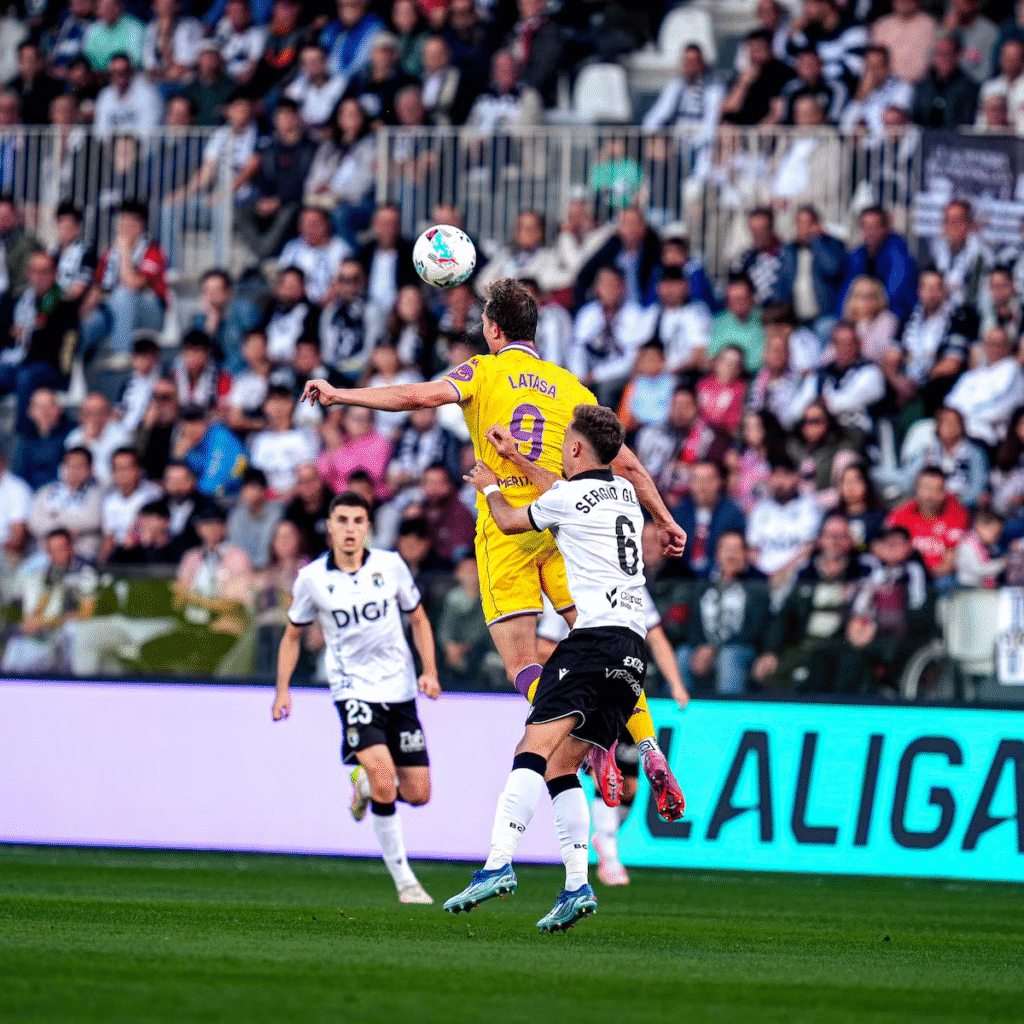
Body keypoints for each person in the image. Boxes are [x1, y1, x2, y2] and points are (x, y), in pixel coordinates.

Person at [300, 278, 687, 822]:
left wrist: (342, 394)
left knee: (522, 663)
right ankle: (645, 746)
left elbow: (416, 396)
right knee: (609, 643)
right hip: (561, 531)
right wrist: (665, 519)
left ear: (493, 329)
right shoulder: (570, 385)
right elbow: (629, 464)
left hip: (506, 529)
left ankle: (592, 740)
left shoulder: (483, 371)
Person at [443, 405, 655, 931]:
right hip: (633, 649)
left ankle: (496, 864)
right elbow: (562, 490)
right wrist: (518, 454)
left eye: (565, 444)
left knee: (531, 749)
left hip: (591, 641)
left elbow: (514, 520)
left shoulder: (568, 496)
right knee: (563, 765)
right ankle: (578, 886)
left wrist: (493, 484)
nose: (559, 452)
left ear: (578, 449)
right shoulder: (624, 494)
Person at [273, 490, 440, 905]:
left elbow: (418, 618)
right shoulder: (312, 578)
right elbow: (292, 635)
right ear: (330, 526)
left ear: (368, 527)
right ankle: (406, 883)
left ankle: (364, 784)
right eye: (342, 520)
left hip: (399, 690)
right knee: (387, 781)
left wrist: (430, 671)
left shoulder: (391, 565)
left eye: (358, 521)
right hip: (353, 690)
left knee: (418, 794)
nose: (350, 529)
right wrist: (282, 690)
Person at [679, 530, 770, 695]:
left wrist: (715, 648)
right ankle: (679, 710)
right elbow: (692, 624)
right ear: (717, 554)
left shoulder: (757, 587)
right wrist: (701, 646)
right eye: (726, 549)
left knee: (728, 656)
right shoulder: (703, 586)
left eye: (736, 549)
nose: (731, 555)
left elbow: (755, 631)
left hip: (740, 648)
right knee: (683, 655)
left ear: (745, 554)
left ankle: (728, 713)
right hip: (705, 647)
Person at [886, 466, 969, 584]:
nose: (930, 495)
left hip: (939, 578)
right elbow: (888, 551)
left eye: (937, 489)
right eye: (925, 488)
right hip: (906, 575)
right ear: (916, 489)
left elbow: (950, 565)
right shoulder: (901, 514)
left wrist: (921, 576)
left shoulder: (957, 514)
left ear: (945, 491)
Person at [838, 206, 918, 324]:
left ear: (886, 228)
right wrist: (843, 318)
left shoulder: (898, 254)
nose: (870, 232)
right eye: (865, 227)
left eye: (875, 227)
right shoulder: (857, 256)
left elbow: (894, 294)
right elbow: (847, 291)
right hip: (862, 316)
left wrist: (868, 310)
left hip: (896, 316)